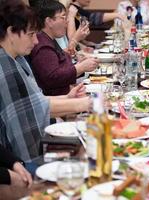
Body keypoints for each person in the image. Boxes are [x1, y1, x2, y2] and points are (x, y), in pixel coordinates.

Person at [0, 0, 92, 163]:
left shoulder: (15, 59)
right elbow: (31, 110)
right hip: (20, 161)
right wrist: (86, 103)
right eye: (31, 34)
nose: (35, 41)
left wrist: (68, 98)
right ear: (11, 32)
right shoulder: (5, 66)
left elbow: (33, 102)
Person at [29, 0, 99, 96]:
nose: (67, 22)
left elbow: (58, 64)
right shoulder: (43, 44)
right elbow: (52, 78)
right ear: (49, 21)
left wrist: (75, 59)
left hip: (67, 94)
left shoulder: (48, 39)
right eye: (63, 17)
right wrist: (80, 67)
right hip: (59, 103)